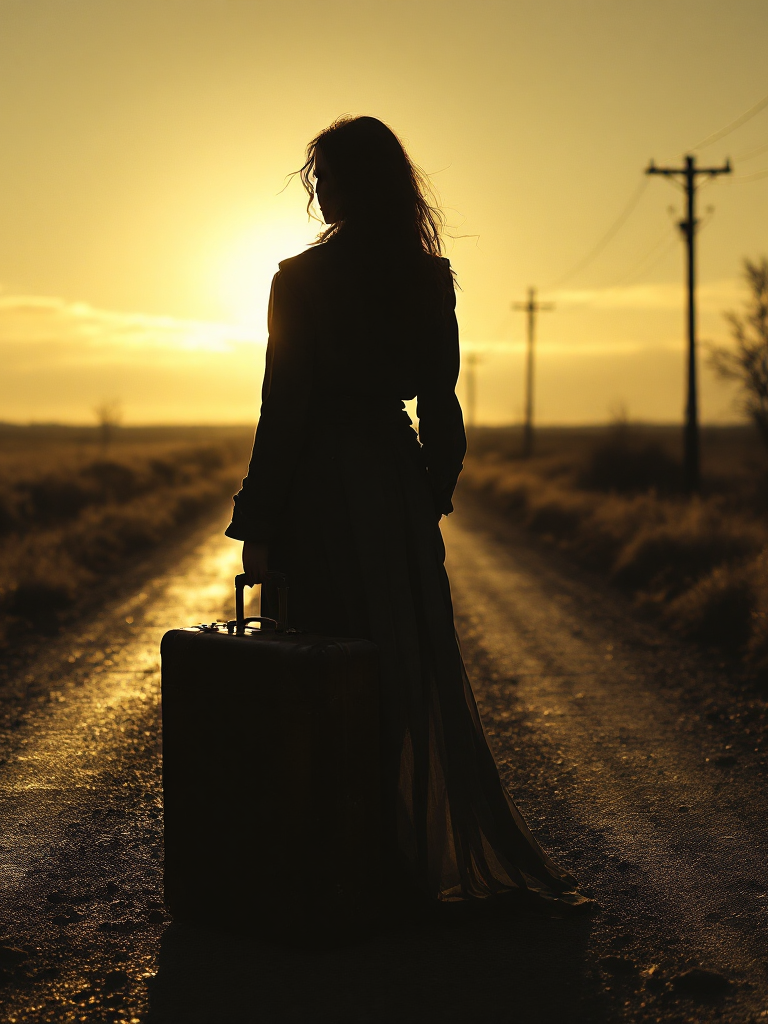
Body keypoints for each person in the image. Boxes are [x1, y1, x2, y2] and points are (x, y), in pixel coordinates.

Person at [225, 115, 591, 915]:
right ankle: (390, 857)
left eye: (324, 176)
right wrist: (424, 496)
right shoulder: (429, 279)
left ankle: (330, 857)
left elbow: (283, 409)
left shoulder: (300, 279)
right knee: (394, 671)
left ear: (348, 184)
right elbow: (442, 413)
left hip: (319, 490)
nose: (317, 191)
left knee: (322, 666)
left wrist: (257, 518)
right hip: (390, 482)